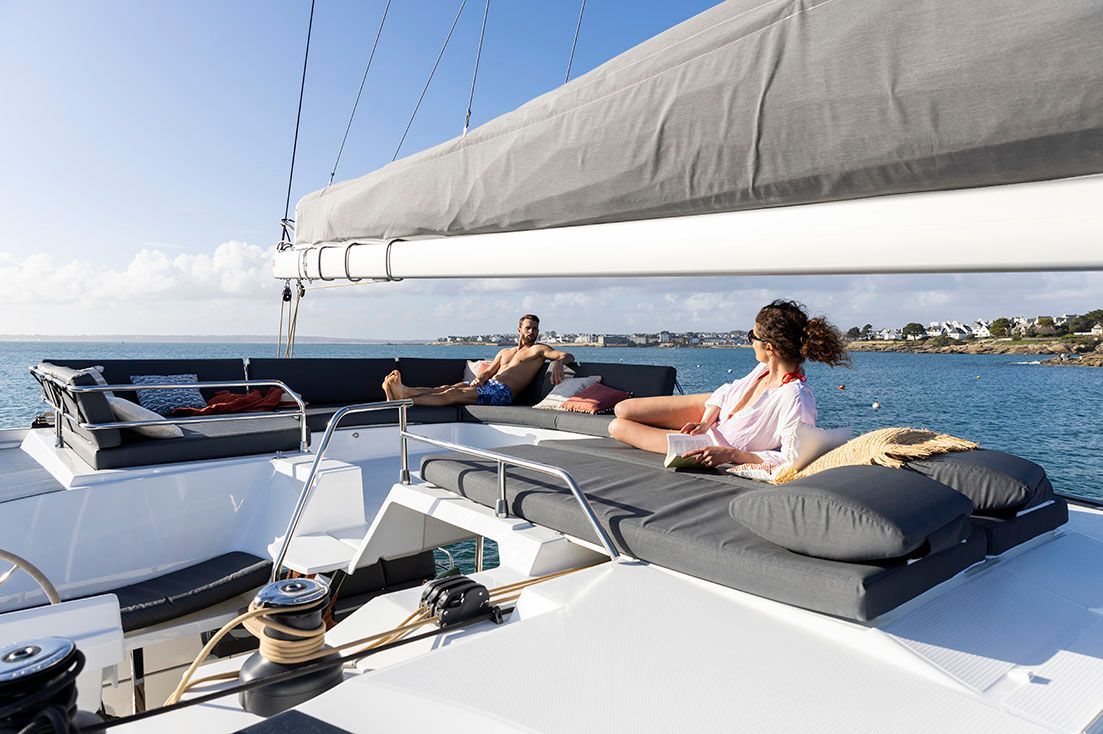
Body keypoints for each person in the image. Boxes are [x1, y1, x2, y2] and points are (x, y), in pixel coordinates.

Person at [608, 300, 849, 473]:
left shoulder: (794, 397)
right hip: (715, 414)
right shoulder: (763, 370)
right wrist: (706, 420)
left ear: (770, 348)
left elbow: (790, 459)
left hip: (714, 444)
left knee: (617, 426)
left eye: (752, 337)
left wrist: (730, 455)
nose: (750, 342)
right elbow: (727, 390)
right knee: (624, 409)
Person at [382, 314, 575, 407]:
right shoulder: (504, 352)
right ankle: (402, 392)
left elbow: (567, 355)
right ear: (519, 329)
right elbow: (489, 371)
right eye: (528, 328)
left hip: (503, 394)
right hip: (488, 384)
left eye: (535, 329)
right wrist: (480, 378)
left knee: (452, 394)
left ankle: (404, 400)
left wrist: (557, 362)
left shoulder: (538, 350)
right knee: (445, 387)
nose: (532, 332)